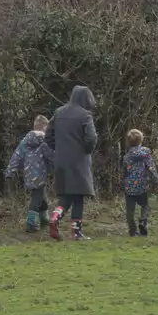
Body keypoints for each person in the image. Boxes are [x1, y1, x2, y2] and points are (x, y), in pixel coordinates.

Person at [44, 85, 97, 241]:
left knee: (67, 195)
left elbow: (48, 136)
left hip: (61, 160)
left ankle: (55, 217)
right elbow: (91, 138)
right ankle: (76, 233)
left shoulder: (59, 112)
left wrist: (58, 149)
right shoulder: (85, 115)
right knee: (79, 196)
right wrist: (87, 150)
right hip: (78, 160)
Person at [5, 114, 53, 231]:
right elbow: (51, 156)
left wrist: (10, 171)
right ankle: (31, 224)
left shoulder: (25, 141)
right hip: (40, 173)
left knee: (42, 197)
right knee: (37, 198)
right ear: (44, 128)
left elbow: (16, 155)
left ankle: (44, 219)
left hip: (28, 174)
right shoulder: (44, 142)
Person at [122, 129, 158, 237]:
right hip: (142, 186)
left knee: (130, 211)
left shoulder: (126, 157)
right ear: (141, 140)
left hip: (129, 188)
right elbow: (152, 169)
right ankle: (143, 221)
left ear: (128, 142)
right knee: (145, 206)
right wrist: (156, 183)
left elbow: (124, 172)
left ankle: (132, 230)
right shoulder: (146, 155)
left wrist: (124, 183)